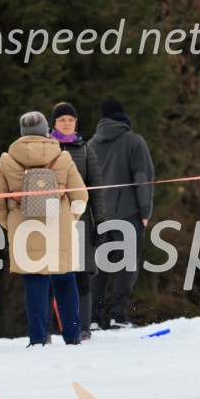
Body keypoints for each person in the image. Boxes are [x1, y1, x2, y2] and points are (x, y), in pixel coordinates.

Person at [0, 112, 88, 346]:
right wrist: (70, 217)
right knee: (65, 279)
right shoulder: (62, 158)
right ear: (45, 131)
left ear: (21, 134)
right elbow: (81, 195)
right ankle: (72, 336)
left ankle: (39, 338)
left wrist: (10, 222)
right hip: (59, 227)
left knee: (35, 282)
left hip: (25, 230)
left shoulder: (7, 160)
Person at [89, 97, 154, 329]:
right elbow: (142, 178)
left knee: (100, 266)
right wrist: (145, 211)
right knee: (127, 265)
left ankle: (94, 318)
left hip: (98, 216)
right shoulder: (134, 142)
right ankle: (118, 315)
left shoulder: (91, 145)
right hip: (128, 213)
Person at [49, 102, 107, 340]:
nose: (66, 123)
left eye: (70, 120)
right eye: (62, 119)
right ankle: (50, 328)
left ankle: (84, 327)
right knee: (51, 274)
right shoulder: (46, 148)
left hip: (81, 219)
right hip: (50, 220)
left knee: (83, 273)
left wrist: (101, 222)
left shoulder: (84, 150)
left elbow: (96, 189)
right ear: (54, 123)